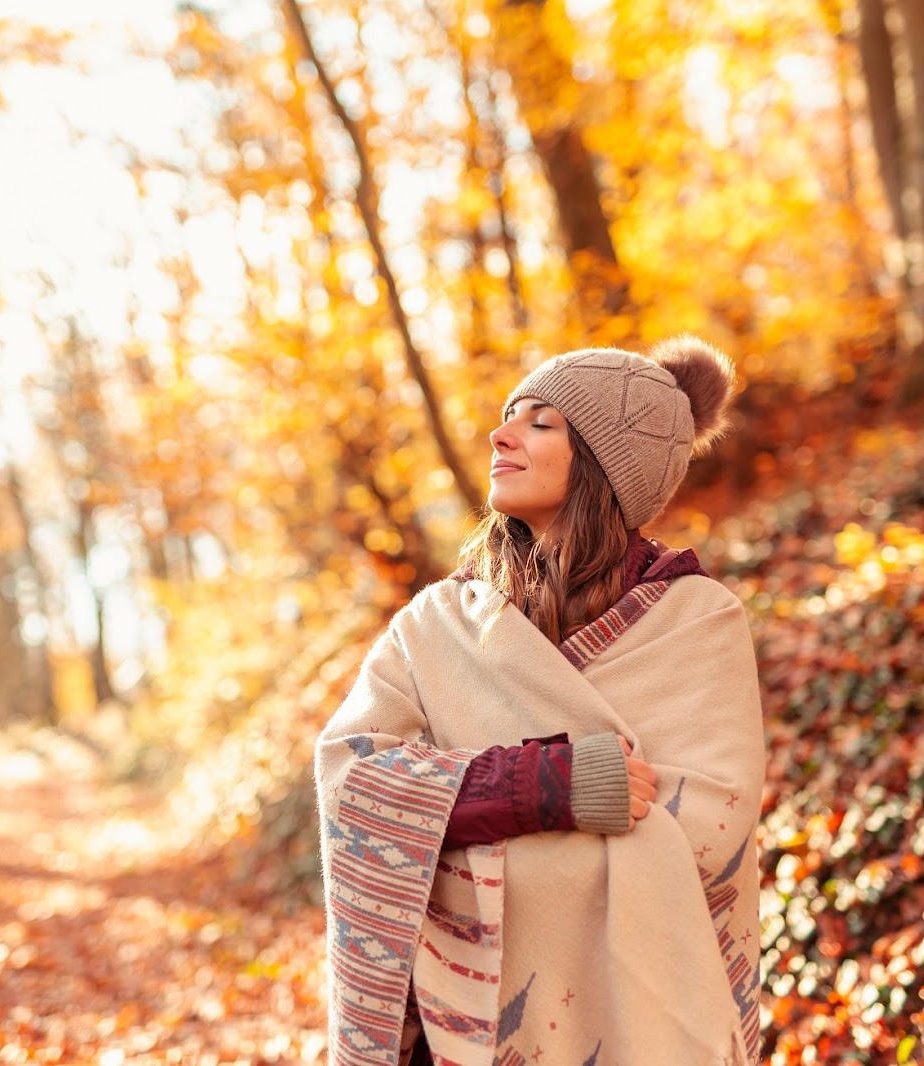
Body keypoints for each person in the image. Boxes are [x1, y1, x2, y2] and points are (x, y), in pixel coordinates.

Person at [315, 338, 766, 1065]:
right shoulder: (435, 625)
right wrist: (542, 787)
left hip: (639, 1023)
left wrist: (458, 841)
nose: (501, 434)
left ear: (604, 460)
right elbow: (353, 782)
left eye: (540, 422)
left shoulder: (698, 621)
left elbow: (709, 832)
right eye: (507, 415)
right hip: (454, 1034)